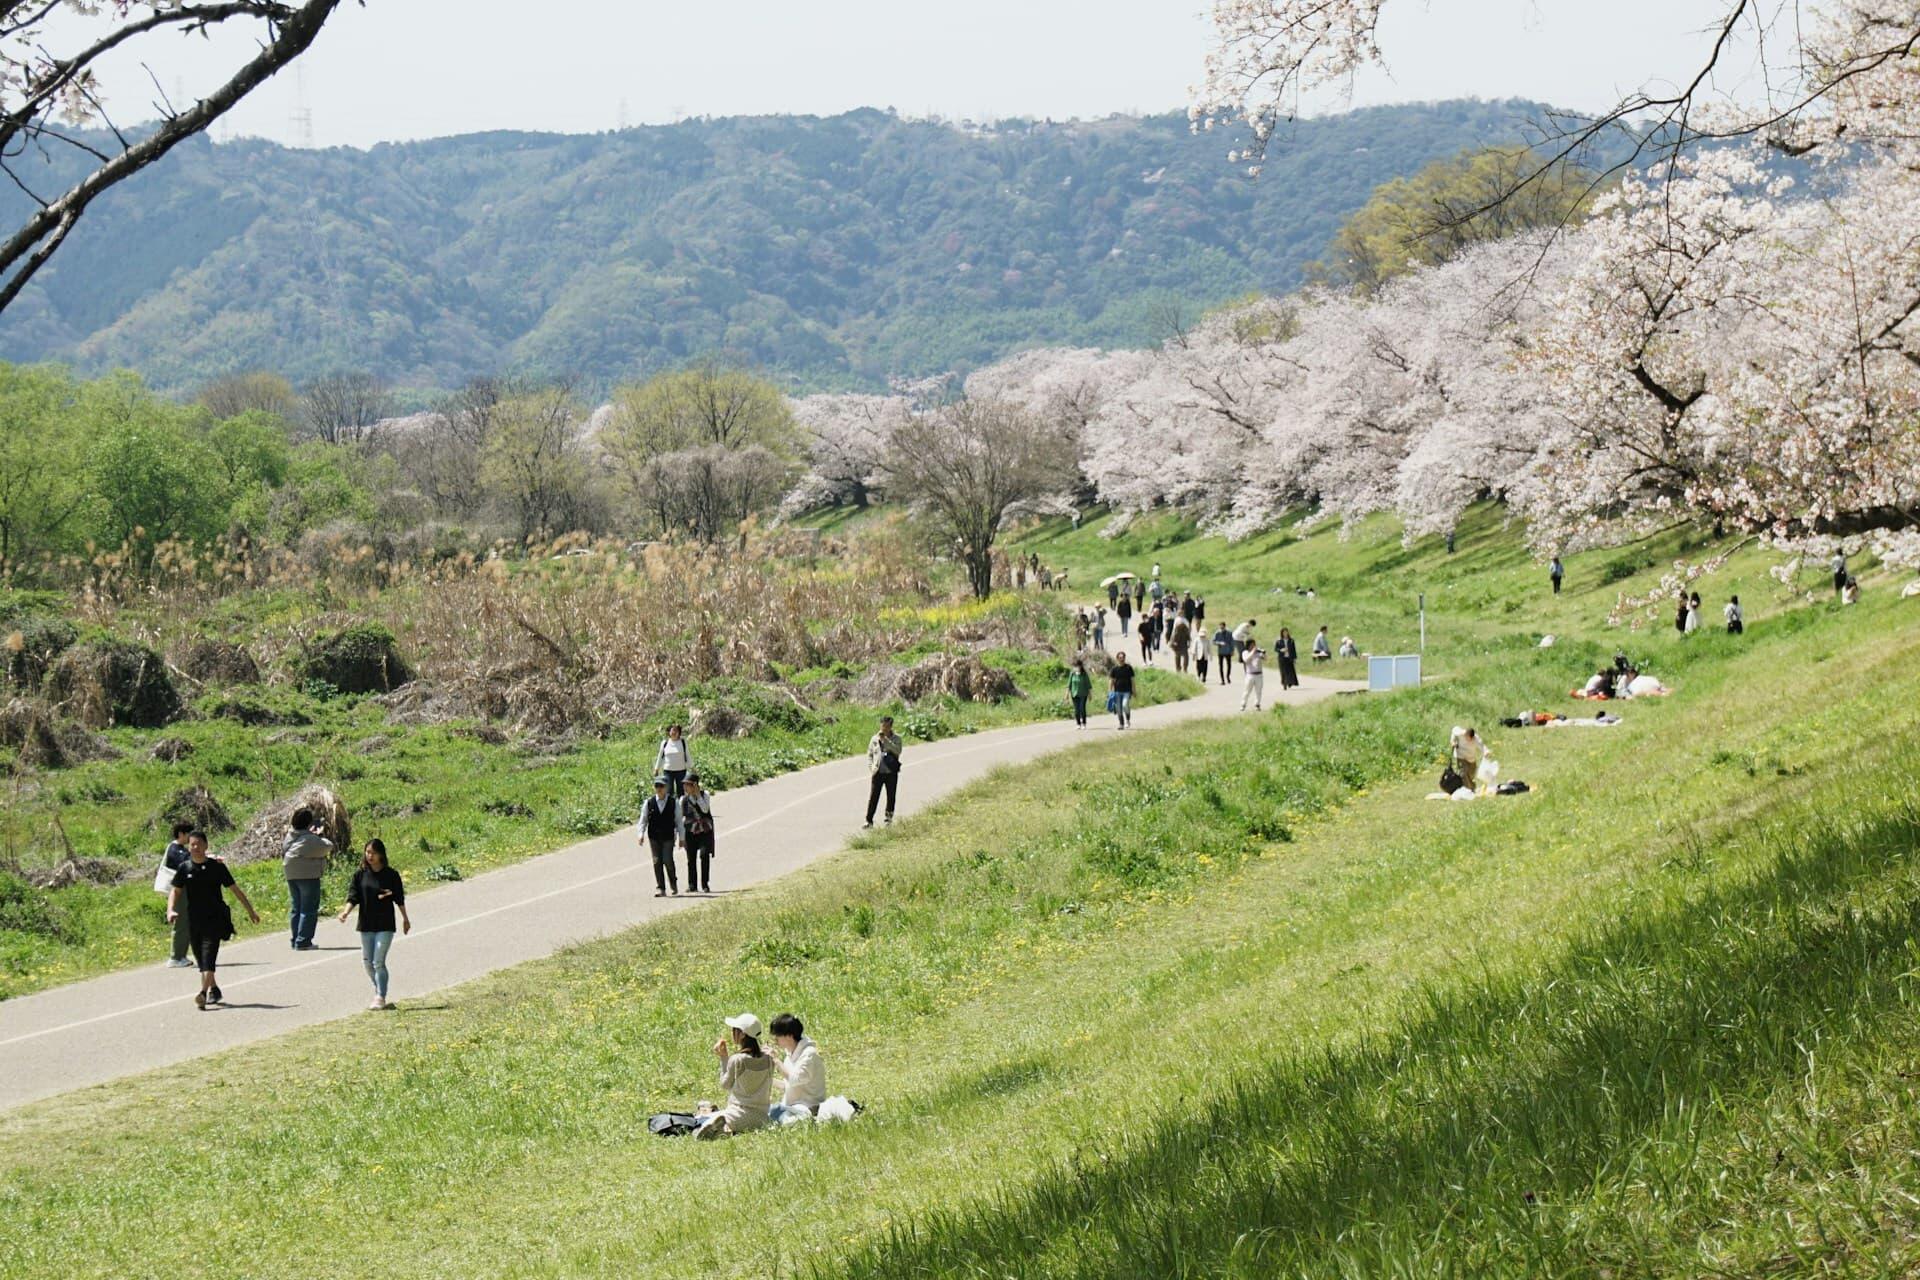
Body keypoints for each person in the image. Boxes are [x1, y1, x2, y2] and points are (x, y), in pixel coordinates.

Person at [166, 830, 259, 1010]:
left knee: (209, 956)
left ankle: (202, 993)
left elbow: (235, 890)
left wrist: (251, 911)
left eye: (199, 844)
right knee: (202, 960)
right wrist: (170, 910)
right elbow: (175, 891)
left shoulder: (217, 867)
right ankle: (214, 990)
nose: (195, 847)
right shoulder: (185, 868)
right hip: (194, 920)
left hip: (215, 918)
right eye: (192, 844)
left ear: (206, 846)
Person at [338, 838, 410, 1010]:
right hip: (366, 924)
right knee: (367, 963)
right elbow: (353, 897)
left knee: (378, 962)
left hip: (385, 924)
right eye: (368, 852)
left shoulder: (391, 875)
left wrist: (405, 919)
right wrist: (345, 912)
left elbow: (399, 899)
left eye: (374, 853)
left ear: (381, 854)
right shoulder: (360, 875)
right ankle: (379, 988)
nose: (370, 856)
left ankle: (380, 997)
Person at [696, 1013, 776, 1139]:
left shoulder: (738, 1059)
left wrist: (723, 1057)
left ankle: (723, 1128)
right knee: (713, 1117)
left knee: (701, 1120)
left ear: (743, 1034)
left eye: (734, 1030)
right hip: (763, 1118)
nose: (732, 1032)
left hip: (738, 1115)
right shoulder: (769, 1059)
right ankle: (725, 1130)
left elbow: (725, 1084)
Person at [282, 807, 333, 951]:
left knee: (297, 907)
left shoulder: (290, 835)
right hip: (307, 874)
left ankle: (296, 939)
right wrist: (319, 835)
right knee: (309, 908)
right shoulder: (309, 839)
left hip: (290, 873)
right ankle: (304, 941)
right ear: (308, 823)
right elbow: (327, 846)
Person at [767, 1012, 827, 1123]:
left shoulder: (809, 1055)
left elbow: (794, 1080)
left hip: (808, 1108)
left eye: (778, 1036)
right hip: (792, 1107)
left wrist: (776, 1060)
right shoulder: (790, 1054)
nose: (775, 1040)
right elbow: (788, 1085)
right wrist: (766, 1080)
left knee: (775, 1118)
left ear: (789, 1036)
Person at [157, 819, 195, 968]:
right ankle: (176, 957)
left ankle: (181, 956)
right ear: (181, 834)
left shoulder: (181, 849)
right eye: (189, 834)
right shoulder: (174, 849)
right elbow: (186, 862)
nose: (191, 837)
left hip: (183, 890)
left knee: (186, 921)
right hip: (177, 891)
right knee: (181, 922)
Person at [639, 776, 680, 896]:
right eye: (657, 786)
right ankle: (660, 887)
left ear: (666, 787)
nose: (659, 789)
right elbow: (643, 820)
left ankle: (673, 882)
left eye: (661, 786)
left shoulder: (673, 802)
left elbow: (678, 821)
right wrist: (641, 834)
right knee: (657, 861)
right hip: (654, 837)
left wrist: (682, 837)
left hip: (668, 836)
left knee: (667, 860)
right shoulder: (649, 803)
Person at [678, 774, 716, 892]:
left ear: (695, 785)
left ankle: (705, 884)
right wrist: (680, 835)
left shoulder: (705, 795)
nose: (685, 787)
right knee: (691, 858)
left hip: (704, 830)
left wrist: (698, 795)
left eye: (688, 784)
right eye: (685, 785)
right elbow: (680, 818)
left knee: (704, 855)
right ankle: (692, 885)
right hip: (690, 831)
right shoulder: (683, 799)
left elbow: (705, 809)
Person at [865, 716, 902, 828]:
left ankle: (888, 819)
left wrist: (886, 741)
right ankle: (869, 820)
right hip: (878, 772)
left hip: (891, 772)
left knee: (891, 796)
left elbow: (898, 751)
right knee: (873, 797)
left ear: (891, 727)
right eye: (882, 726)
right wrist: (871, 767)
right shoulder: (874, 739)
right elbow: (870, 754)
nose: (884, 728)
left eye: (886, 726)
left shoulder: (897, 738)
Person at [654, 723, 692, 795]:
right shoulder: (665, 743)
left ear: (679, 732)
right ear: (669, 732)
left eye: (676, 731)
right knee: (669, 791)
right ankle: (670, 802)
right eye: (672, 731)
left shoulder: (683, 742)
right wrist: (656, 769)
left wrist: (692, 767)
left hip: (681, 771)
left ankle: (681, 802)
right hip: (668, 771)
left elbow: (687, 754)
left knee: (681, 791)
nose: (674, 732)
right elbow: (660, 756)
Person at [1109, 651, 1135, 729]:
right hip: (1117, 691)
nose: (1122, 659)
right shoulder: (1114, 669)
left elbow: (1132, 680)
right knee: (1119, 709)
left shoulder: (1128, 668)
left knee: (1125, 705)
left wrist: (1134, 690)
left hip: (1127, 691)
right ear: (1117, 658)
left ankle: (1127, 720)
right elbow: (1111, 680)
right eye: (1120, 657)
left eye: (1123, 657)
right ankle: (1121, 724)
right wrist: (1110, 691)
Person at [1240, 642, 1266, 711]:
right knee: (1247, 691)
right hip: (1250, 675)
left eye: (1254, 645)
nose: (1253, 646)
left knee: (1258, 691)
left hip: (1259, 675)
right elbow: (1246, 659)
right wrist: (1253, 652)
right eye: (1251, 645)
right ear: (1248, 645)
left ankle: (1257, 704)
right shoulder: (1245, 652)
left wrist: (1263, 653)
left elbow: (1265, 658)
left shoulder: (1258, 653)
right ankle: (1243, 704)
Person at [1067, 659, 1092, 728]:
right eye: (1074, 666)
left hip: (1083, 694)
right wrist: (1067, 695)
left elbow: (1088, 685)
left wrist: (1090, 694)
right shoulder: (1072, 674)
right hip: (1074, 694)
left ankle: (1084, 723)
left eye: (1077, 666)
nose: (1076, 667)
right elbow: (1069, 685)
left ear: (1080, 666)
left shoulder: (1084, 674)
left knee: (1082, 708)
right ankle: (1078, 724)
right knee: (1076, 710)